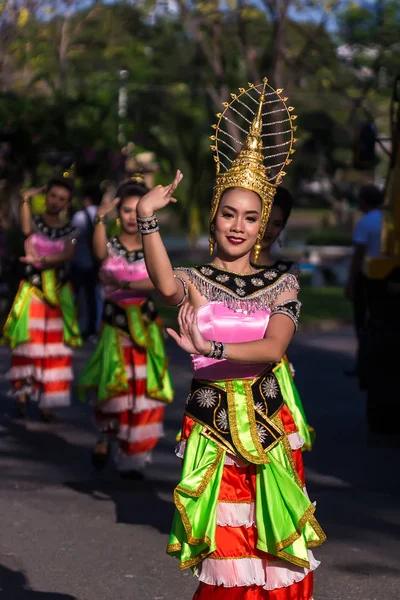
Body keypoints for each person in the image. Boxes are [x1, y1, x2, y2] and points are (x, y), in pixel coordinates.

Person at [136, 81, 325, 598]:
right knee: (227, 547)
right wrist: (145, 218)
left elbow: (273, 350)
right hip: (213, 426)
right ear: (215, 215)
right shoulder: (195, 279)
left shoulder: (282, 281)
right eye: (228, 213)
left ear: (264, 223)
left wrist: (211, 349)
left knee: (274, 543)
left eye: (251, 216)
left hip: (268, 421)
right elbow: (164, 284)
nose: (238, 226)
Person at [77, 178, 174, 479]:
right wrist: (101, 218)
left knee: (142, 392)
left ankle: (134, 453)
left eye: (137, 210)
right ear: (119, 212)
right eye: (127, 210)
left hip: (144, 328)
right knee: (113, 386)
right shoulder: (110, 244)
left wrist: (125, 284)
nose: (132, 216)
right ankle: (106, 437)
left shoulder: (152, 245)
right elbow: (98, 255)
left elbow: (162, 281)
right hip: (115, 327)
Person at [2, 177, 82, 421]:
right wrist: (27, 198)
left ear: (67, 203)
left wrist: (41, 261)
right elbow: (26, 229)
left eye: (61, 199)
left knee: (54, 347)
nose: (56, 201)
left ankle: (48, 402)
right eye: (52, 196)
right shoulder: (35, 223)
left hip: (57, 294)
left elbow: (68, 254)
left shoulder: (70, 230)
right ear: (46, 196)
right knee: (29, 342)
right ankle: (23, 394)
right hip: (34, 292)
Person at [257, 187, 315, 452]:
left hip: (272, 368)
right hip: (229, 367)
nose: (268, 230)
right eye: (263, 220)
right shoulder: (222, 270)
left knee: (276, 446)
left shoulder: (287, 272)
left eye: (277, 224)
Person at [345, 184, 384, 377]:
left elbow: (358, 256)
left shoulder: (365, 222)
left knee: (362, 323)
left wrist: (350, 283)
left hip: (367, 277)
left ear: (364, 200)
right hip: (386, 277)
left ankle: (363, 364)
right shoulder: (388, 220)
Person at [71, 184, 102, 340]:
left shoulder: (79, 217)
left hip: (79, 261)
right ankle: (92, 328)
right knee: (92, 297)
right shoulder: (102, 215)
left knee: (74, 297)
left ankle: (72, 327)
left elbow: (72, 239)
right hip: (94, 263)